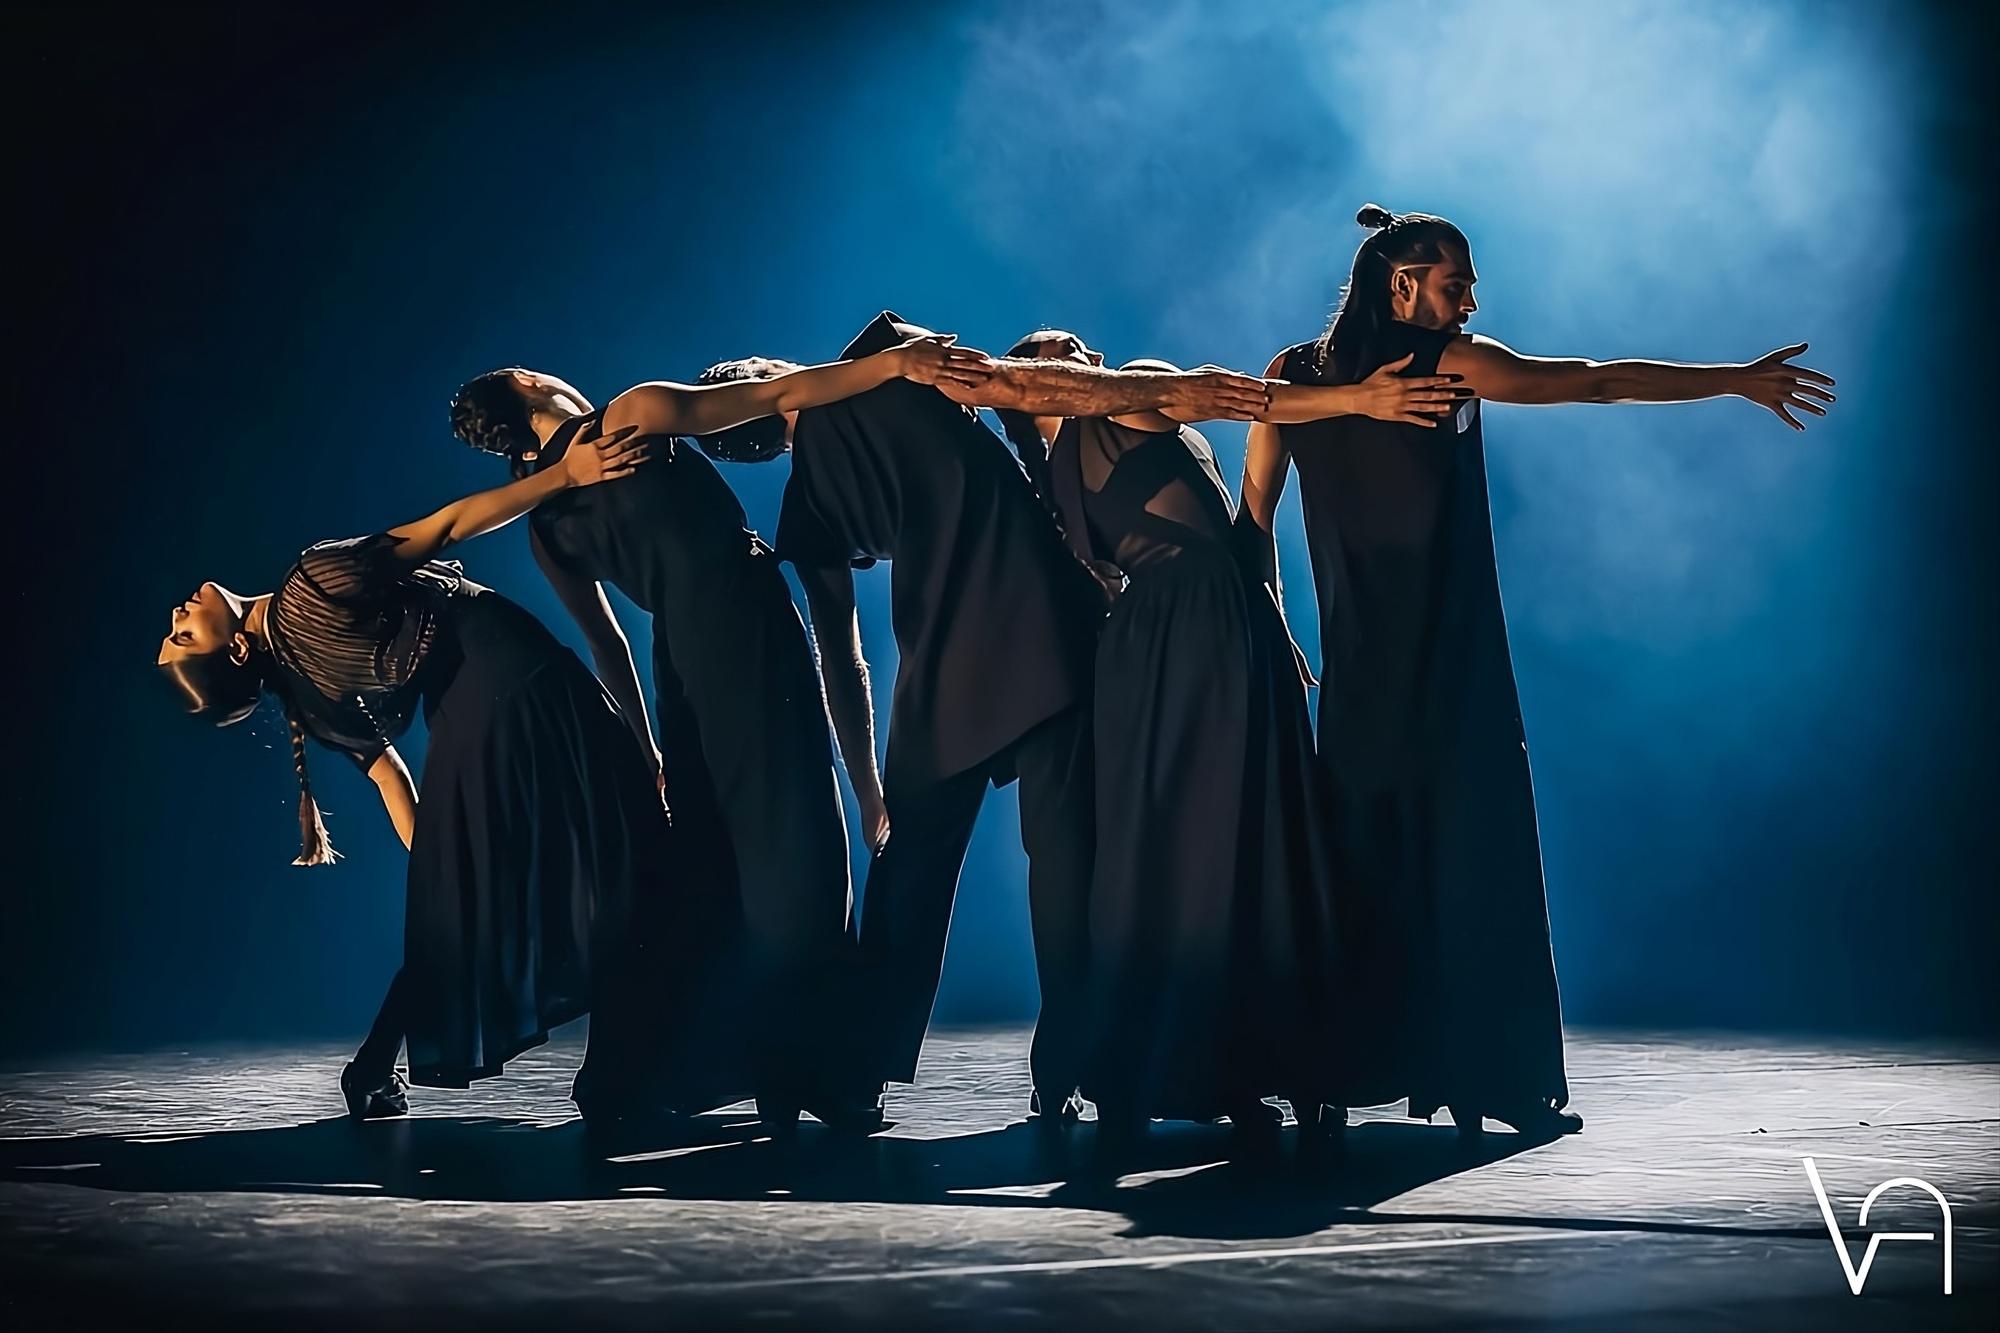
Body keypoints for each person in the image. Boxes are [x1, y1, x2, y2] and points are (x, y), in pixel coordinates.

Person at [1243, 203, 1837, 1138]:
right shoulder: (1392, 370)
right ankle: (1464, 1071)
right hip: (1425, 660)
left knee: (1371, 848)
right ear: (1401, 284)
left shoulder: (1326, 374)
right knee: (1448, 851)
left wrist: (1270, 600)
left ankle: (1368, 1070)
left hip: (1383, 663)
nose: (1472, 299)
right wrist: (1736, 379)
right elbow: (1593, 384)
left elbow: (1257, 506)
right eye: (1455, 282)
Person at [702, 312, 1271, 1121]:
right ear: (769, 373)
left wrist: (866, 786)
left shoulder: (807, 507)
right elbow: (1000, 381)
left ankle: (848, 1080)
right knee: (1070, 872)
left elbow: (844, 659)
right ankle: (1075, 1069)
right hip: (1053, 635)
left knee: (910, 882)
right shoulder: (880, 358)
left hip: (946, 677)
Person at [444, 333, 989, 1134]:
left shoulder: (544, 522)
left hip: (679, 662)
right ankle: (818, 1073)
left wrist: (650, 747)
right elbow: (778, 394)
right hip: (742, 623)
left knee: (720, 854)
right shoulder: (632, 413)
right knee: (801, 835)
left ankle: (751, 1063)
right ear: (533, 381)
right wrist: (892, 365)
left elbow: (608, 645)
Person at [156, 430, 727, 1128]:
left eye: (174, 627)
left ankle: (375, 1064)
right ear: (238, 646)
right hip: (515, 678)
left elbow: (390, 779)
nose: (179, 614)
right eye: (184, 635)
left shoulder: (305, 692)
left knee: (561, 878)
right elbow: (449, 525)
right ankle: (619, 1074)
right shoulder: (312, 583)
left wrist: (447, 878)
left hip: (467, 716)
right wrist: (564, 474)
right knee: (629, 851)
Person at [1012, 335, 1468, 1152]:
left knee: (1253, 835)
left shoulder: (1127, 403)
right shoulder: (1089, 429)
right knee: (1173, 848)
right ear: (1037, 383)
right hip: (1165, 641)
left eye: (1074, 344)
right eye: (1056, 350)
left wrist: (1274, 615)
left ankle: (1268, 1065)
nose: (1078, 345)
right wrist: (1357, 399)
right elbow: (1231, 404)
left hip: (1214, 630)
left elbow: (1238, 520)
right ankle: (1184, 1067)